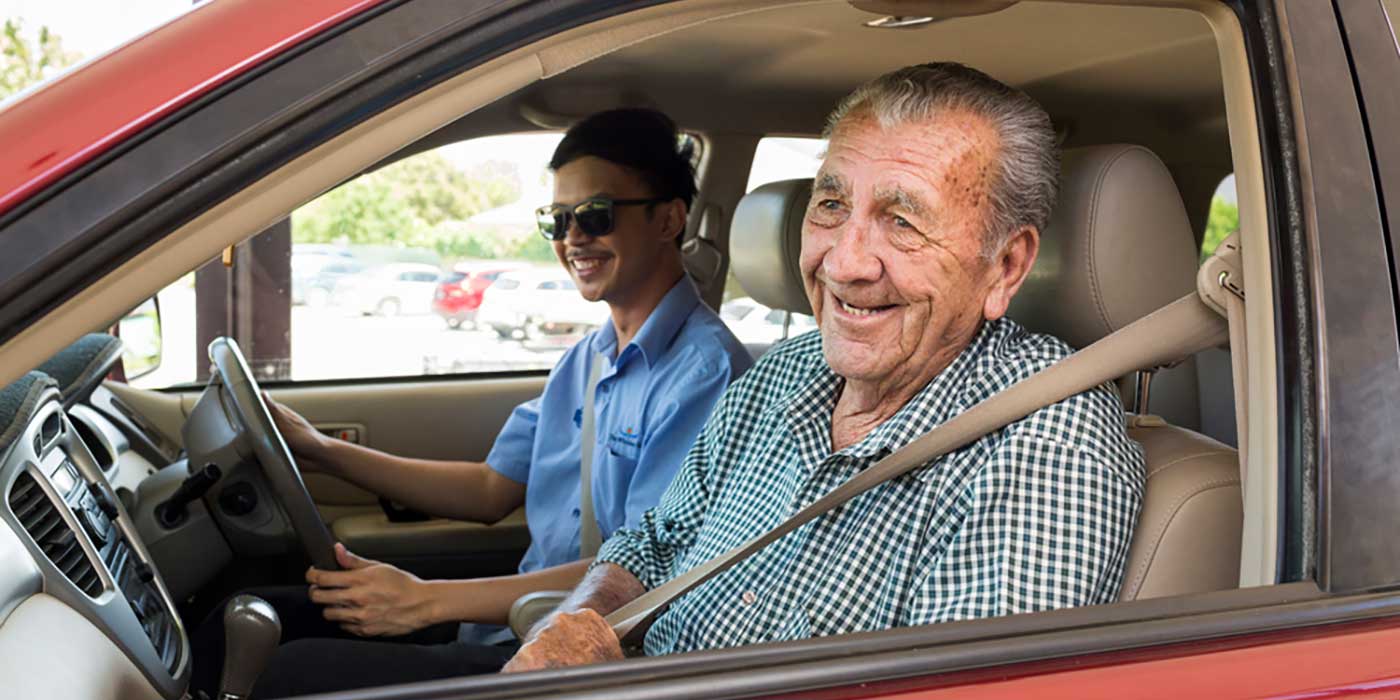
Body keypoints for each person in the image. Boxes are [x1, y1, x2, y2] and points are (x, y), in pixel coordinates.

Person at [503, 63, 1146, 672]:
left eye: (902, 221)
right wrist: (573, 628)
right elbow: (651, 544)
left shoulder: (1046, 439)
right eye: (832, 206)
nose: (844, 263)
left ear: (1004, 266)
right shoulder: (783, 371)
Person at [191, 108, 753, 698]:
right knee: (248, 618)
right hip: (515, 625)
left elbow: (645, 569)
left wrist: (427, 600)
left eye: (595, 215)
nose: (573, 239)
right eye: (556, 221)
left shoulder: (706, 376)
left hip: (585, 657)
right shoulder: (587, 357)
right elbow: (491, 489)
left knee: (290, 673)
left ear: (668, 219)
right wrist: (321, 450)